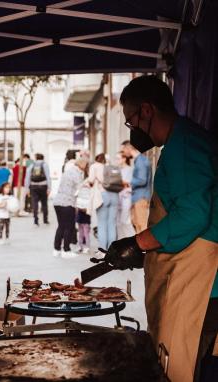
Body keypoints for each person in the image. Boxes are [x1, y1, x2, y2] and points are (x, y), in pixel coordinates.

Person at [104, 75, 218, 382]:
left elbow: (193, 215)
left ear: (147, 110)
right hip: (199, 275)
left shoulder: (183, 146)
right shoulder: (184, 141)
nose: (132, 130)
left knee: (186, 366)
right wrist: (148, 248)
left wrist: (139, 242)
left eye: (130, 122)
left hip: (205, 284)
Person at [52, 159, 87, 258]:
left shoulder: (67, 172)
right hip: (67, 202)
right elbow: (79, 190)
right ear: (82, 165)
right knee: (69, 227)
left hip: (57, 201)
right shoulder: (77, 174)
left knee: (61, 226)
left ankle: (56, 249)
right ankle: (66, 250)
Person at [88, 153, 119, 252]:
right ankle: (112, 250)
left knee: (102, 224)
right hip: (114, 195)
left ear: (97, 158)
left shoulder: (95, 166)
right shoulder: (112, 167)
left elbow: (91, 180)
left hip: (102, 196)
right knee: (112, 224)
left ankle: (102, 251)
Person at [120, 140, 152, 233]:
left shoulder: (141, 161)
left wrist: (127, 182)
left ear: (128, 148)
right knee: (136, 223)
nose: (123, 153)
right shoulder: (139, 160)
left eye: (123, 150)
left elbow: (142, 180)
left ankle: (144, 247)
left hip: (141, 197)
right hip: (138, 196)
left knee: (141, 224)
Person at [25, 153, 51, 226]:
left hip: (33, 186)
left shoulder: (31, 165)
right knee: (44, 203)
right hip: (43, 186)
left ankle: (36, 220)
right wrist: (49, 188)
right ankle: (45, 220)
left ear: (36, 158)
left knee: (35, 203)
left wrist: (27, 188)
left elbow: (27, 177)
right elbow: (48, 176)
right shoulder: (45, 165)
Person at [116, 152, 135, 239]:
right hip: (118, 196)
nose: (116, 161)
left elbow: (129, 183)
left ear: (124, 159)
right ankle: (120, 243)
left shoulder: (129, 169)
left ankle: (131, 240)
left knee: (125, 220)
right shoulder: (117, 170)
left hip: (126, 196)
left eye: (118, 158)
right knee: (118, 222)